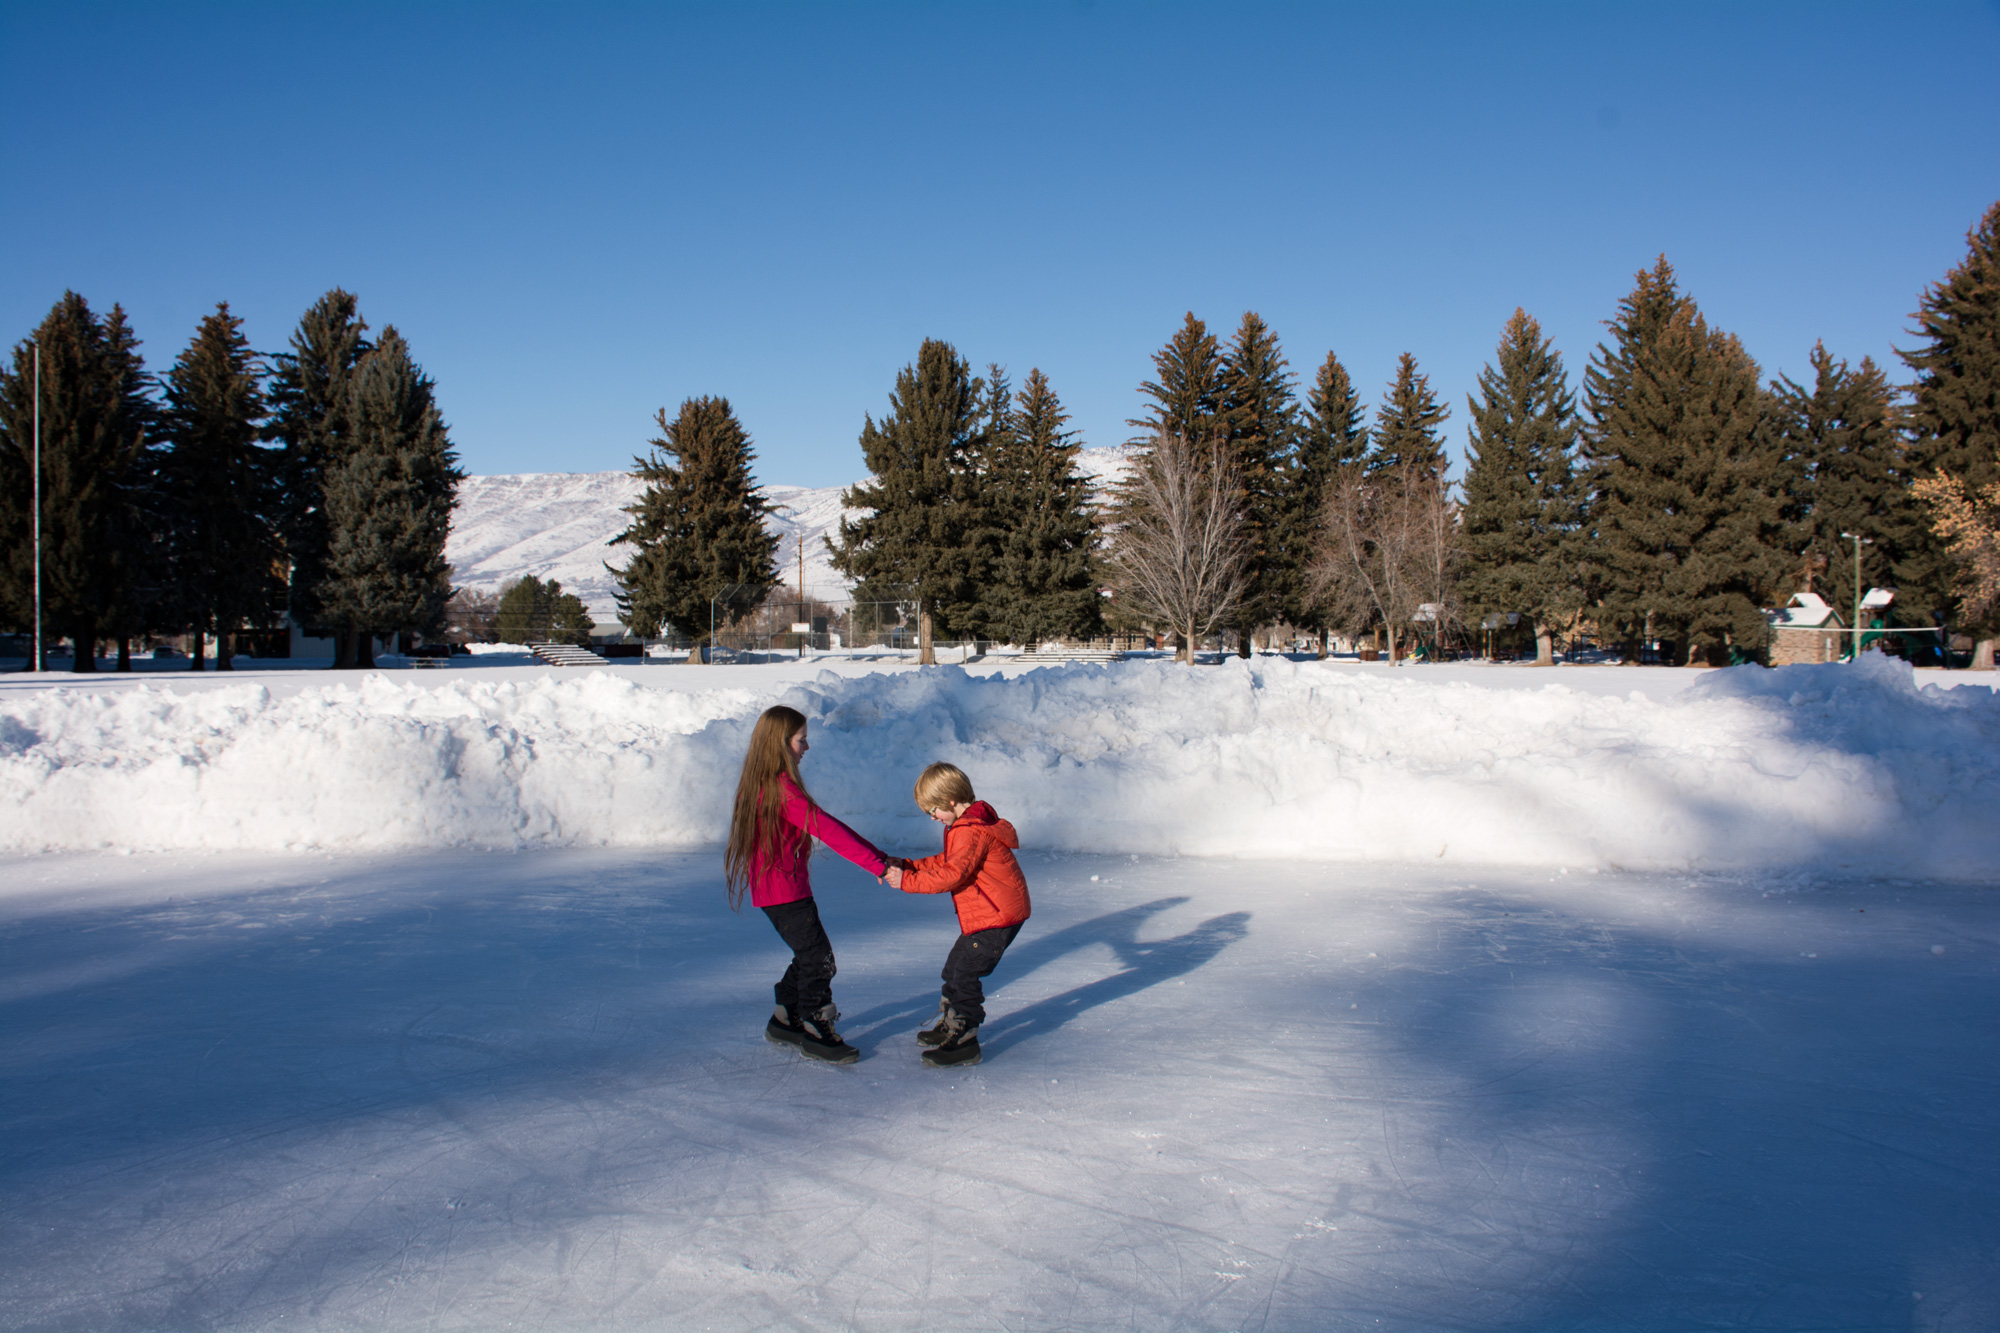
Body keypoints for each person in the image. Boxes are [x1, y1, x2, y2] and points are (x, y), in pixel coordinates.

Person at [725, 705, 889, 1064]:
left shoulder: (765, 784)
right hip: (784, 893)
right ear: (780, 745)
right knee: (820, 960)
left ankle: (786, 1017)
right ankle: (816, 1026)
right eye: (802, 740)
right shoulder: (783, 792)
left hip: (780, 890)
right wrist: (876, 863)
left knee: (809, 954)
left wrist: (880, 856)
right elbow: (828, 829)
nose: (807, 747)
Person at [883, 762, 1031, 1068]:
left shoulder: (969, 831)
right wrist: (909, 865)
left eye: (933, 810)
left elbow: (952, 874)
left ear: (950, 800)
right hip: (988, 913)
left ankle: (964, 1038)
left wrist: (906, 881)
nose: (933, 817)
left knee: (965, 974)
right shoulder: (965, 826)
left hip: (997, 917)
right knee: (954, 968)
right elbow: (947, 861)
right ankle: (951, 1022)